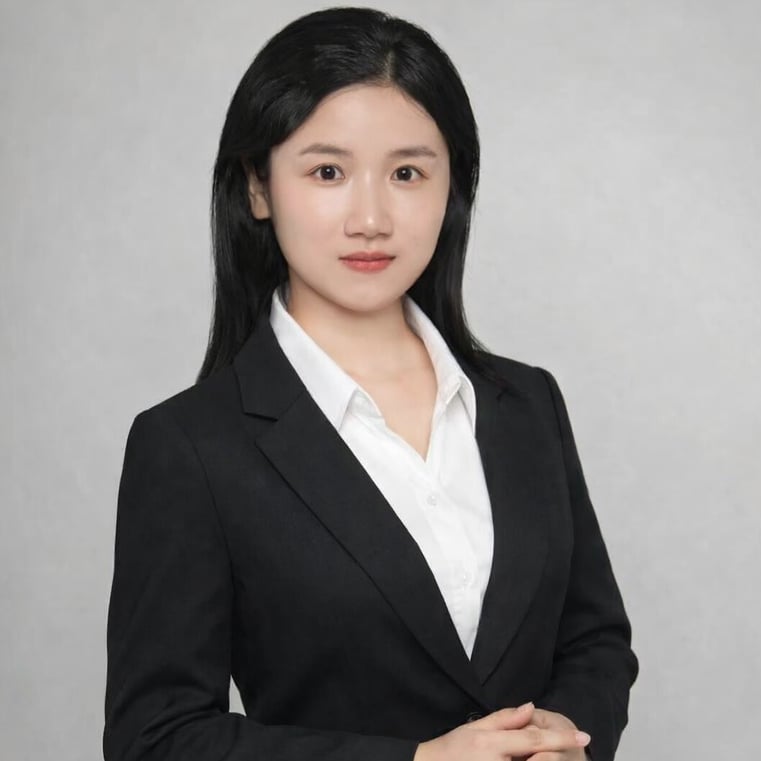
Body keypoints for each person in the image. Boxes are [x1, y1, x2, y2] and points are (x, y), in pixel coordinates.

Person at [103, 7, 638, 761]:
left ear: (453, 189)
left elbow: (595, 640)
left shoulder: (528, 404)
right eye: (327, 172)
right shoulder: (190, 446)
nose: (371, 218)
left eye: (407, 173)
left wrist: (566, 733)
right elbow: (156, 738)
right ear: (258, 187)